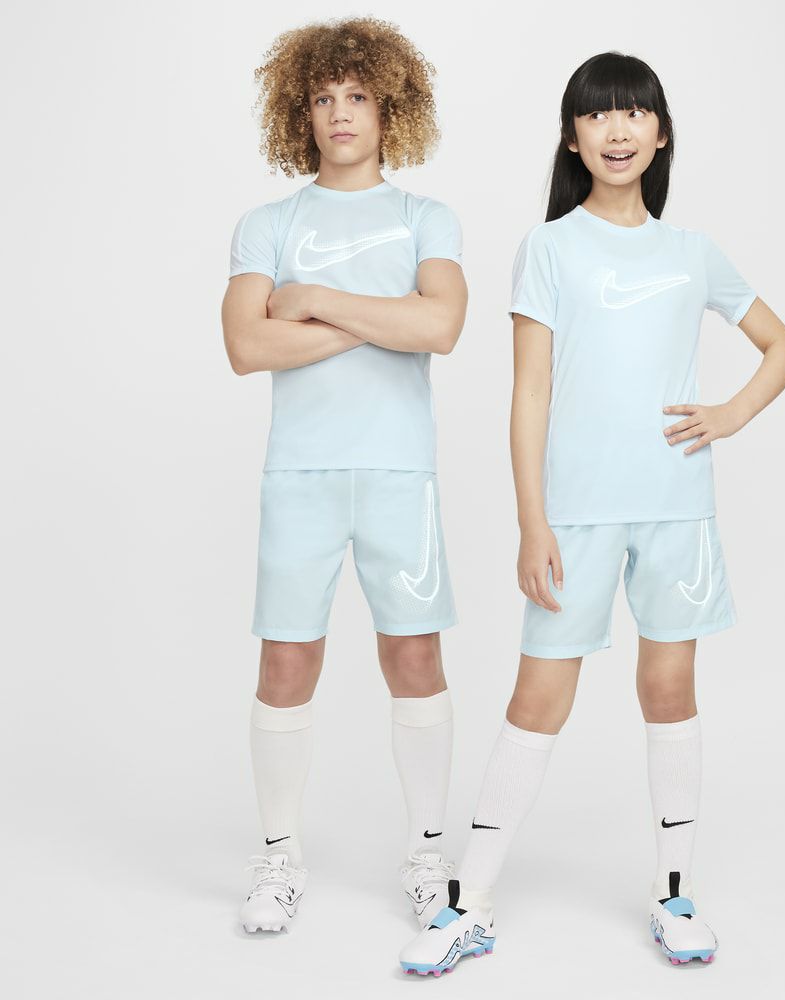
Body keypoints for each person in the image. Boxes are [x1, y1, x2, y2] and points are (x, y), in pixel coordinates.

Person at [398, 50, 785, 976]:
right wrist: (531, 522)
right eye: (597, 114)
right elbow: (529, 391)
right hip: (574, 516)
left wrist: (731, 413)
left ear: (660, 134)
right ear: (572, 138)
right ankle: (470, 901)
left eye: (634, 113)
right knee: (539, 695)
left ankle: (673, 892)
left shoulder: (693, 253)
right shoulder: (549, 248)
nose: (616, 130)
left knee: (669, 689)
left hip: (676, 512)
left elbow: (782, 346)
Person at [220, 17, 468, 934]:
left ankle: (428, 853)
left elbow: (441, 327)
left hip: (401, 474)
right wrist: (384, 319)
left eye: (357, 95)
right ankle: (279, 856)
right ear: (301, 112)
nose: (340, 112)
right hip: (301, 476)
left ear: (389, 105)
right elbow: (246, 346)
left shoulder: (424, 218)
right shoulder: (268, 224)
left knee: (416, 656)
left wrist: (317, 302)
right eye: (323, 97)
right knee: (286, 659)